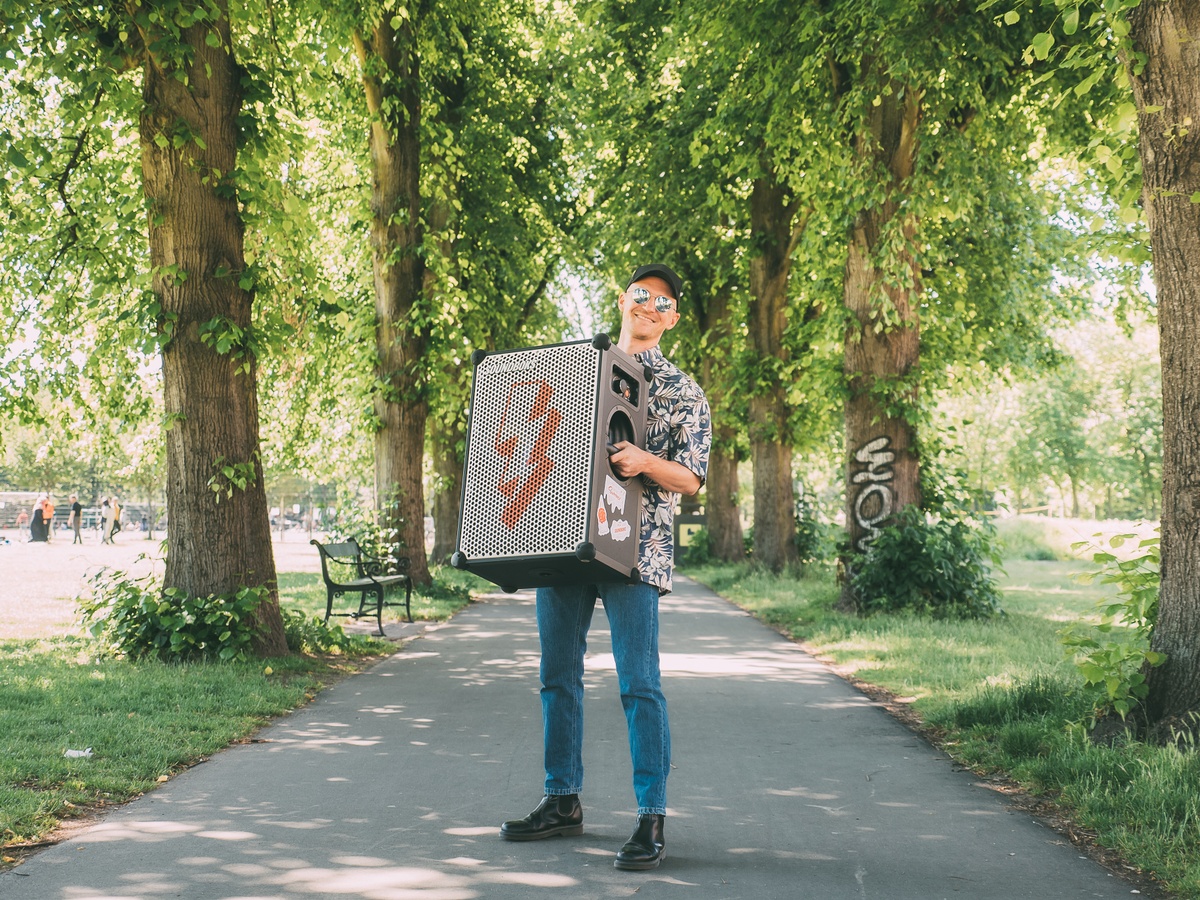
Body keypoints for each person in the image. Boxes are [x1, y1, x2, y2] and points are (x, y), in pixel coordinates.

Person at [499, 264, 712, 872]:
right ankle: (562, 800)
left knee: (638, 683)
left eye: (663, 302)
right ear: (624, 300)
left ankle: (651, 816)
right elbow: (533, 438)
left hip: (634, 551)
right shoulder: (576, 369)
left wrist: (645, 459)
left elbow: (691, 478)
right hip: (562, 541)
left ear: (672, 319)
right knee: (556, 677)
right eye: (641, 295)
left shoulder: (681, 390)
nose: (649, 306)